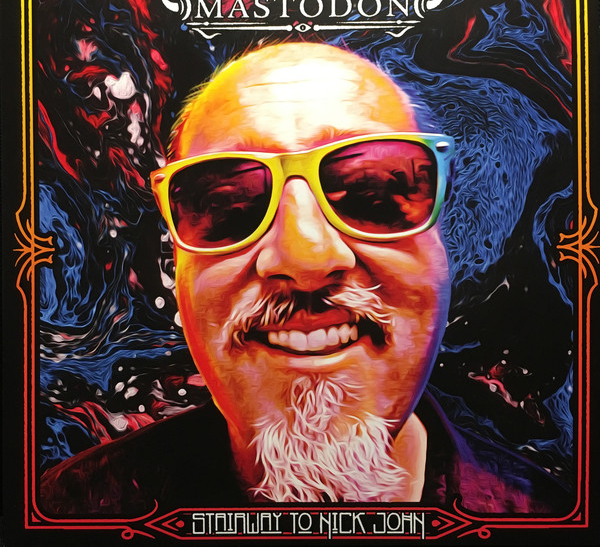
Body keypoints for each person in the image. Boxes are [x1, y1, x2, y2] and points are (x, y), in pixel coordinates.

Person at [40, 43, 567, 514]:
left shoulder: (550, 520)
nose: (307, 257)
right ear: (175, 263)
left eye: (373, 195)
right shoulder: (68, 514)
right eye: (229, 205)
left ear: (443, 242)